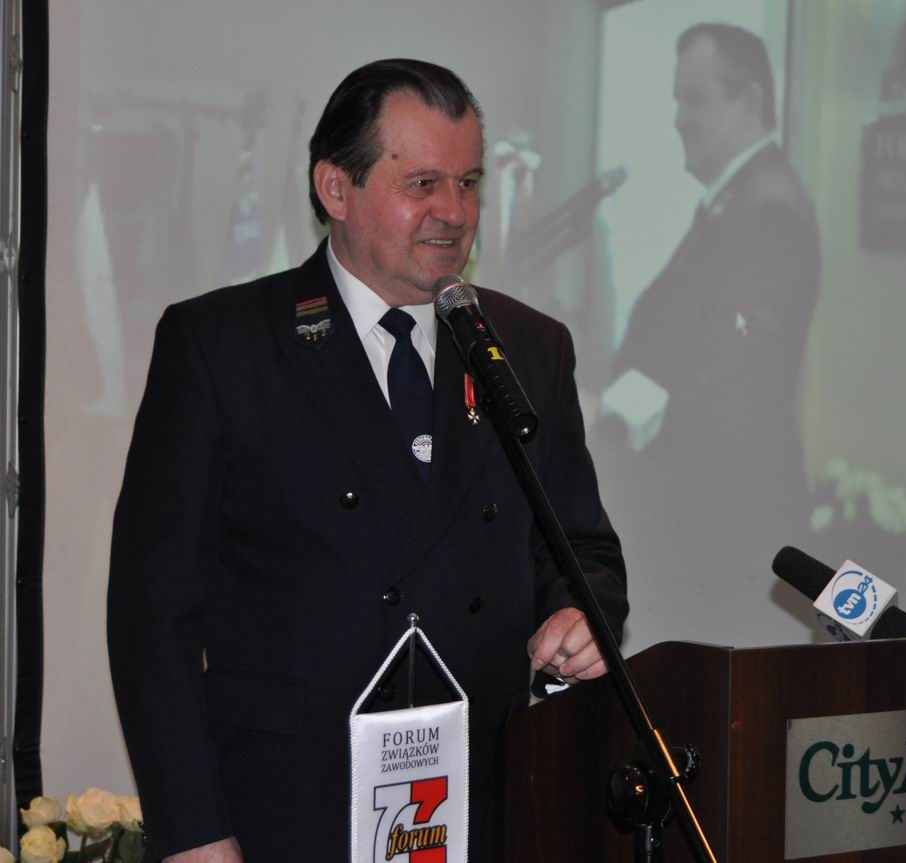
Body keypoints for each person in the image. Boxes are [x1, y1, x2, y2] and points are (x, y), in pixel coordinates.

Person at [108, 59, 627, 863]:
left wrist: (581, 613)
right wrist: (193, 829)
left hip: (479, 803)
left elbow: (581, 550)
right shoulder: (222, 346)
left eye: (468, 182)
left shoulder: (527, 347)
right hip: (286, 807)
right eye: (422, 183)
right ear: (335, 189)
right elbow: (153, 611)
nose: (453, 211)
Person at [602, 23, 820, 590]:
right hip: (704, 515)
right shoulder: (734, 200)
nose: (679, 118)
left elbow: (734, 378)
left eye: (695, 99)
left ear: (750, 98)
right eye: (678, 100)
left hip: (729, 525)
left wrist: (611, 415)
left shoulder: (768, 209)